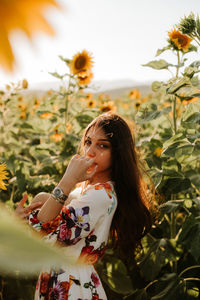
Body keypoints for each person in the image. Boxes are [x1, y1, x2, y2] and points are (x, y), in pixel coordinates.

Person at [16, 112, 152, 300]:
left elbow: (44, 238)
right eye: (88, 142)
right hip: (62, 279)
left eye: (102, 145)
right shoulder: (87, 190)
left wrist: (67, 179)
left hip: (72, 286)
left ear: (118, 153)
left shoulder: (101, 195)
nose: (90, 151)